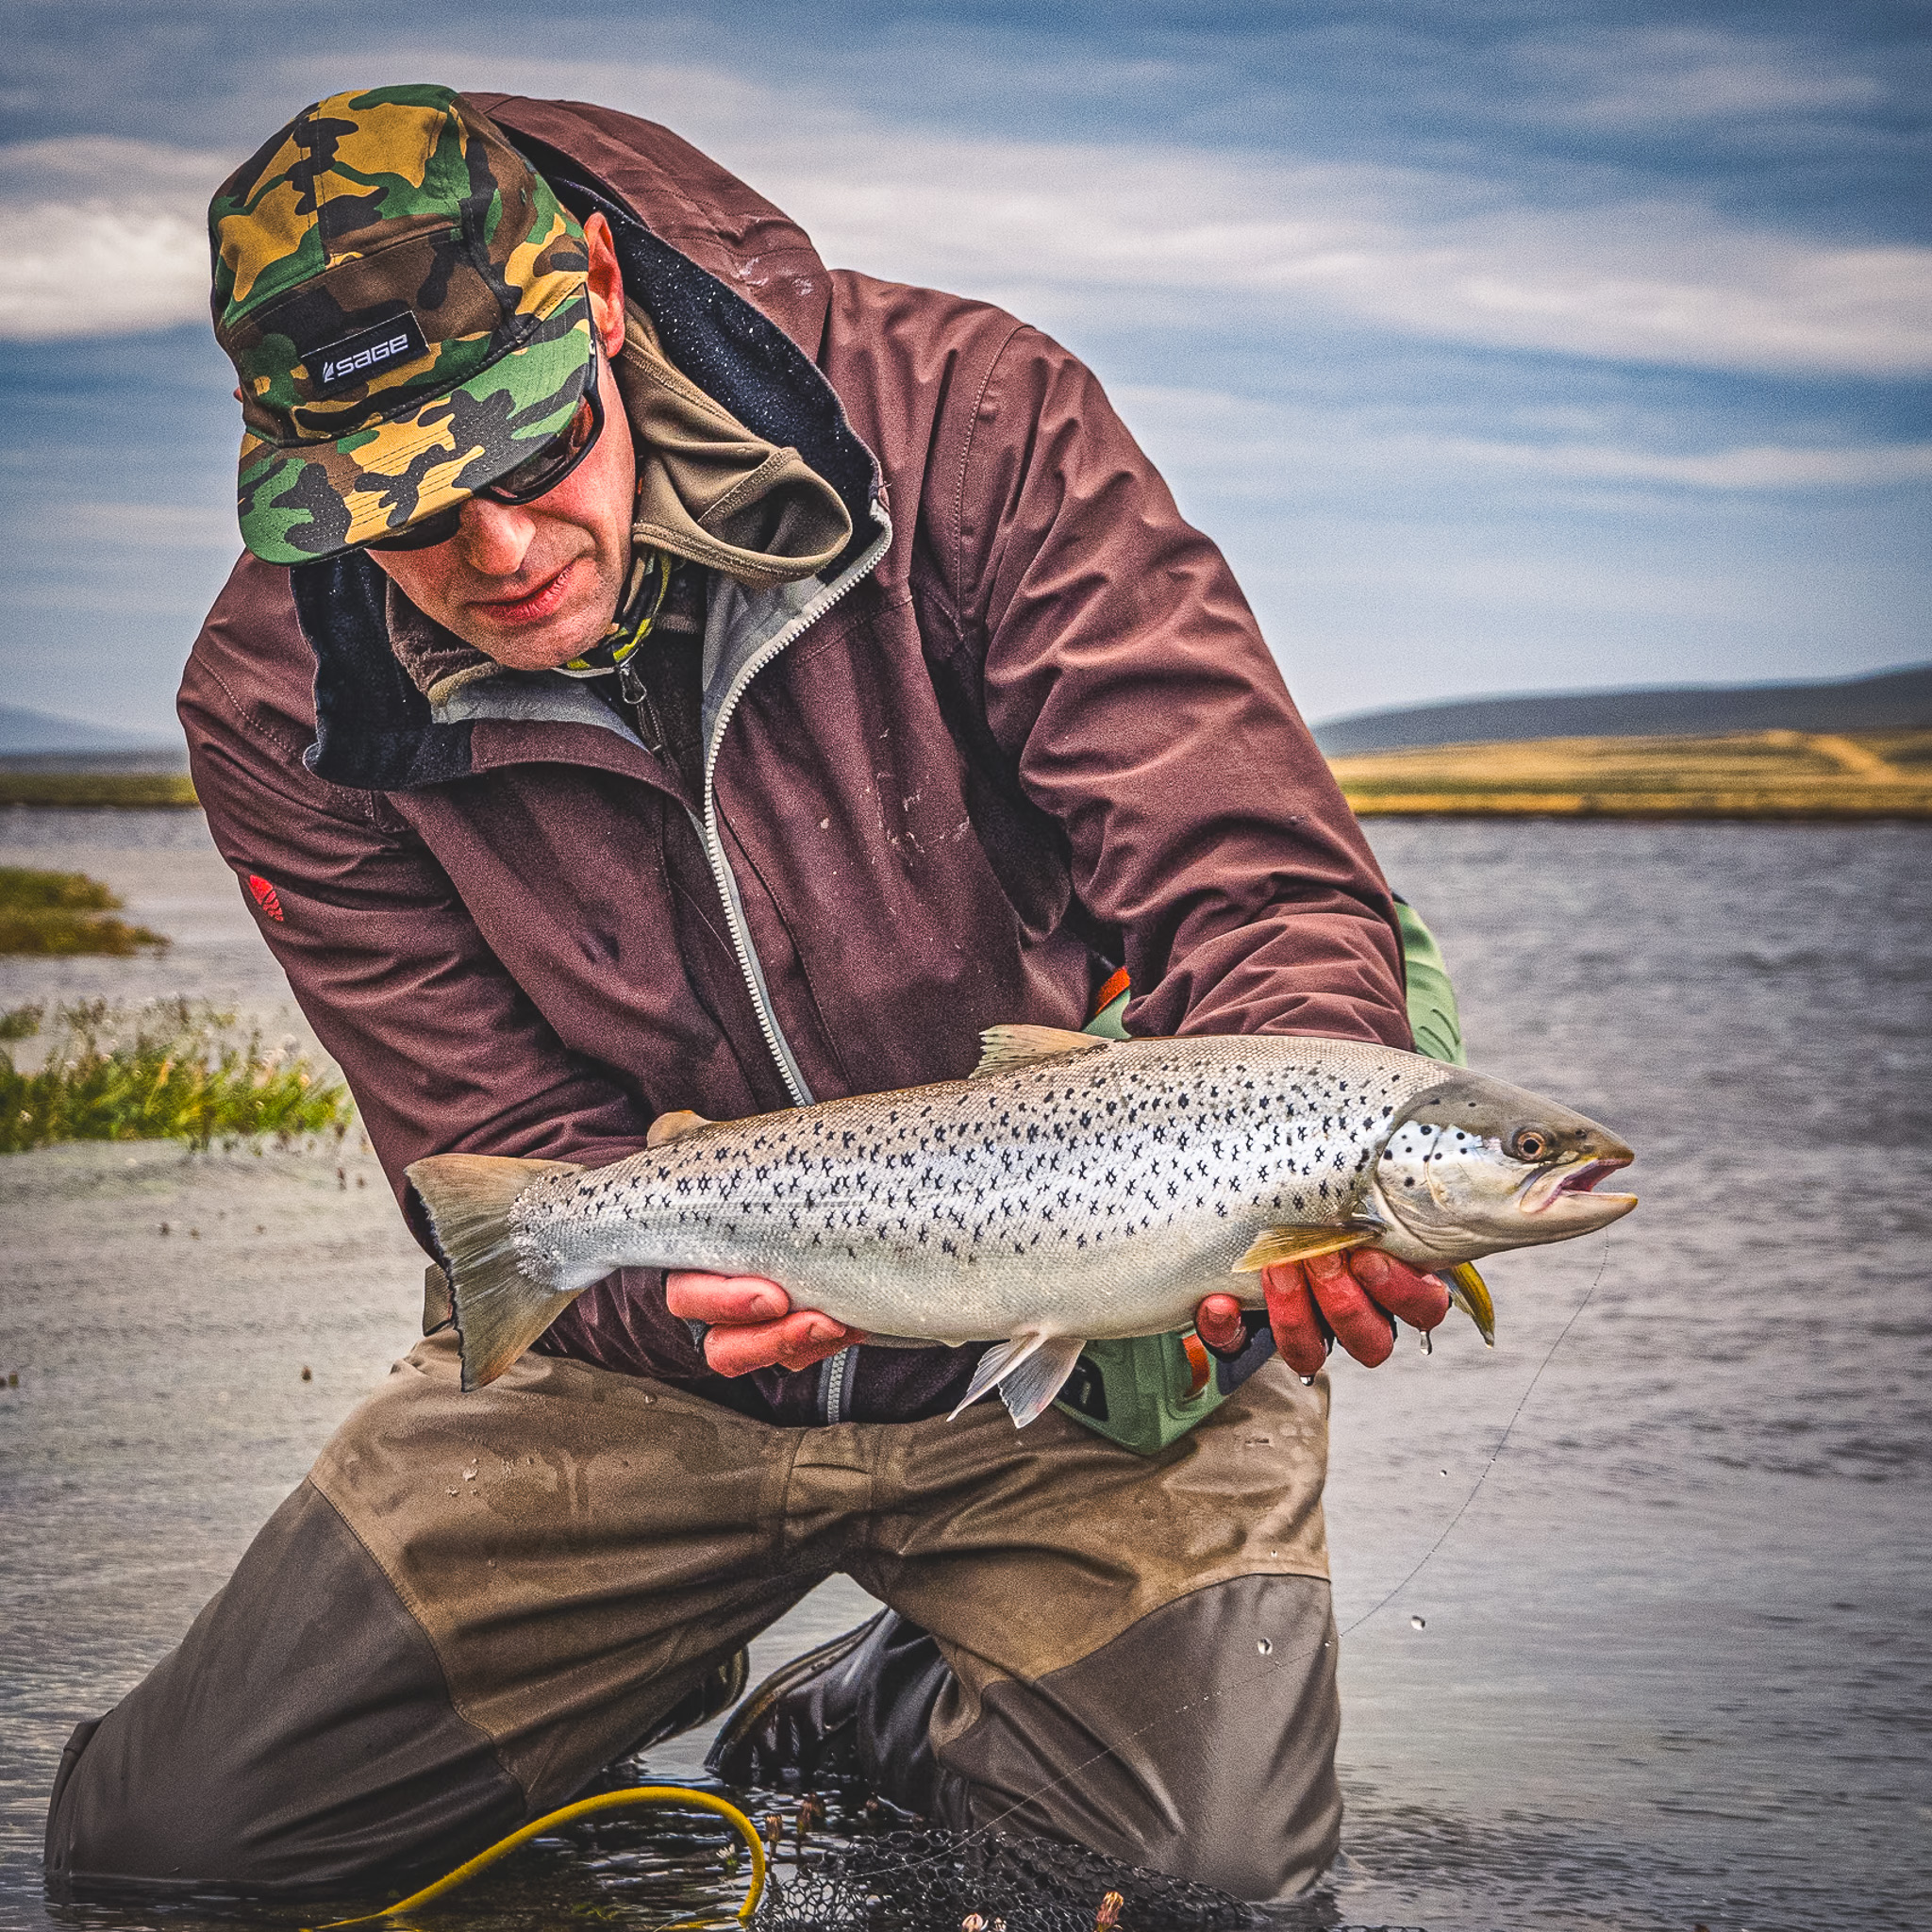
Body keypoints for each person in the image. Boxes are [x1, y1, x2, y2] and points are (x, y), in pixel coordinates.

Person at [42, 85, 1454, 1905]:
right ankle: (672, 1647)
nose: (499, 553)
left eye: (532, 452)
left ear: (605, 303)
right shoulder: (272, 701)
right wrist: (690, 1310)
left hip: (1094, 1341)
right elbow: (491, 1146)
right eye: (403, 516)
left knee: (1204, 1895)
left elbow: (1251, 883)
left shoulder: (969, 419)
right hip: (660, 1367)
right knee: (167, 1859)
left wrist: (1303, 1172)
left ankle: (886, 1702)